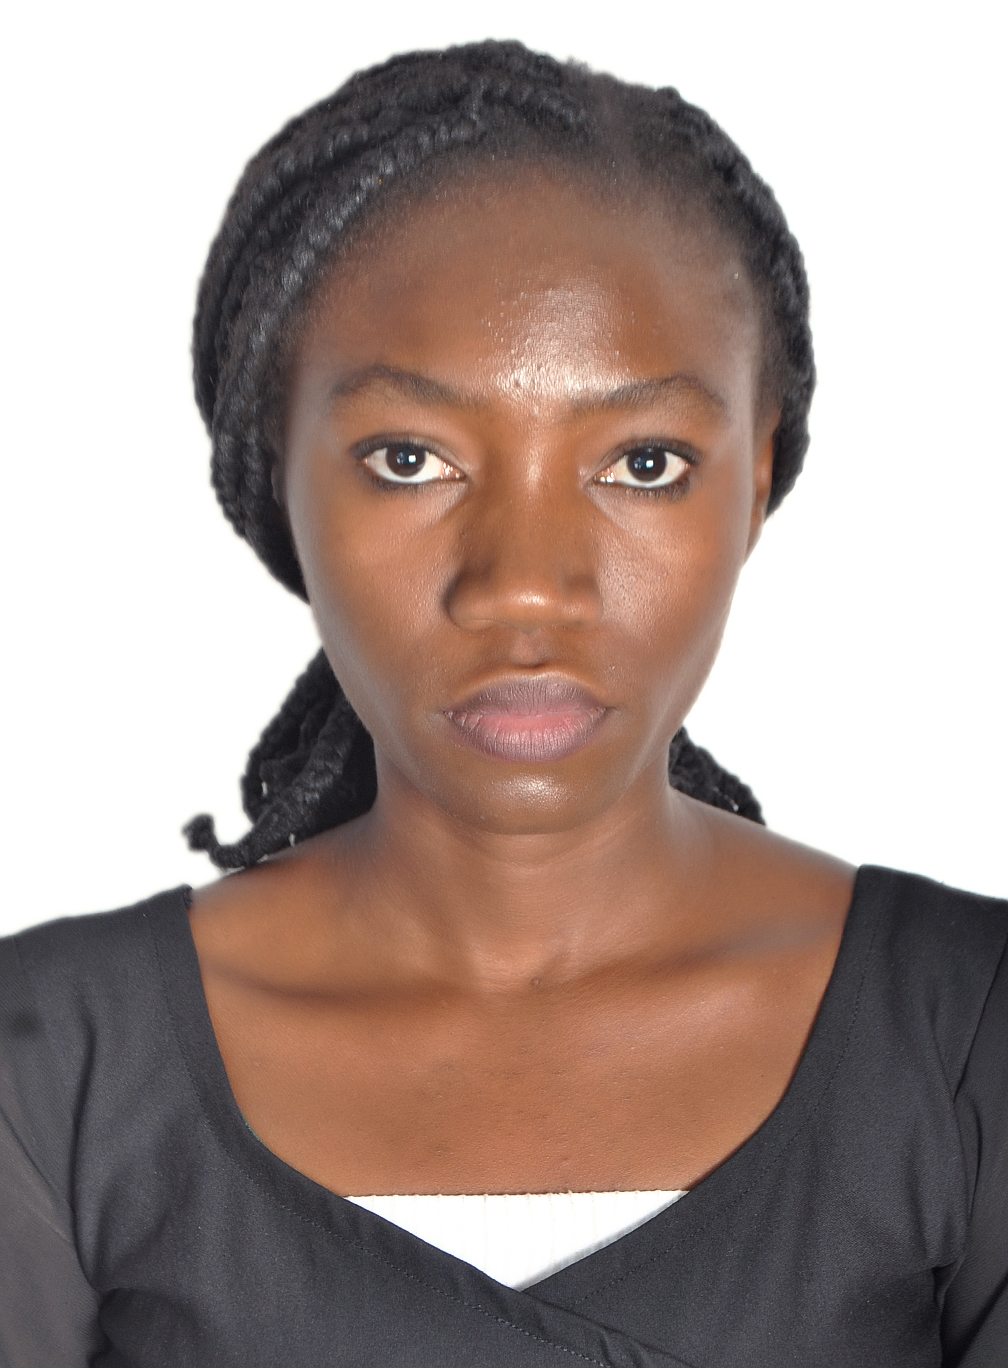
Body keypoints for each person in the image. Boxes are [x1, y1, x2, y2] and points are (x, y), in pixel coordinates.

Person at [0, 38, 1004, 1368]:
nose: (526, 585)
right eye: (410, 458)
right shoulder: (53, 1065)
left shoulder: (968, 1027)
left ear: (757, 478)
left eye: (644, 463)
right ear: (276, 476)